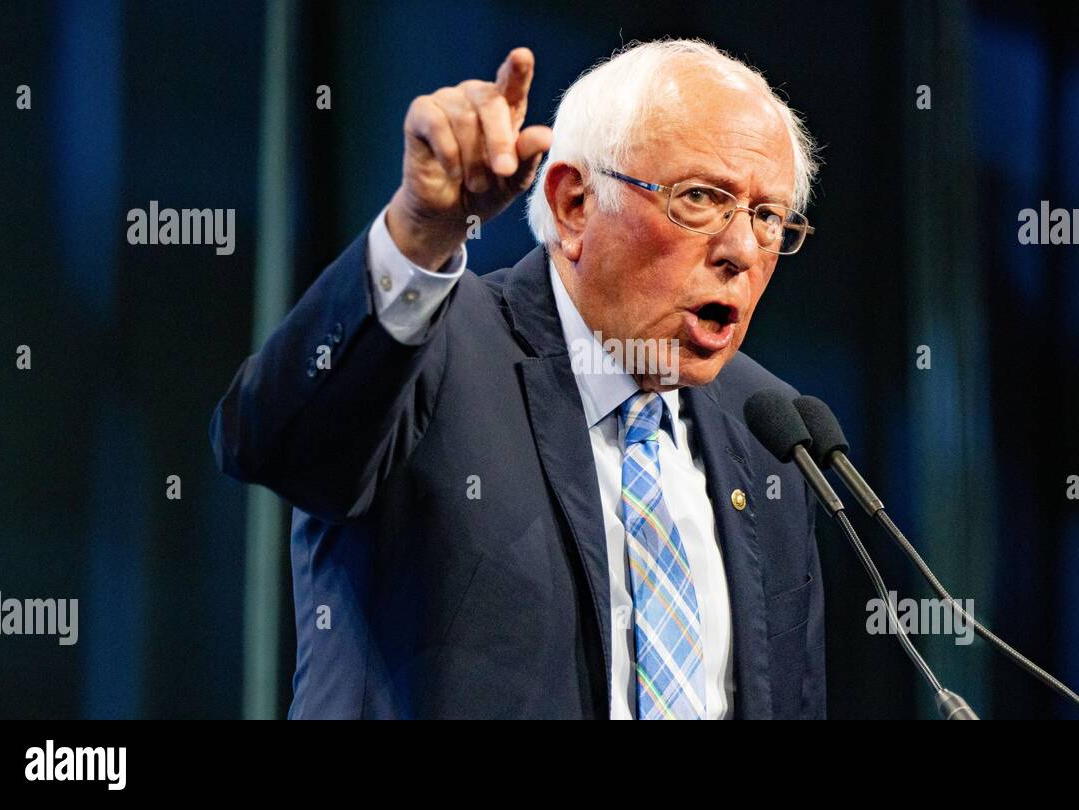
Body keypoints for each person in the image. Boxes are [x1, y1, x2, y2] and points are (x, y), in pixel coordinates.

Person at [212, 39, 825, 719]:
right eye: (700, 198)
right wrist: (418, 235)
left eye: (768, 217)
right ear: (573, 205)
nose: (742, 249)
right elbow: (270, 441)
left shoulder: (772, 429)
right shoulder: (435, 348)